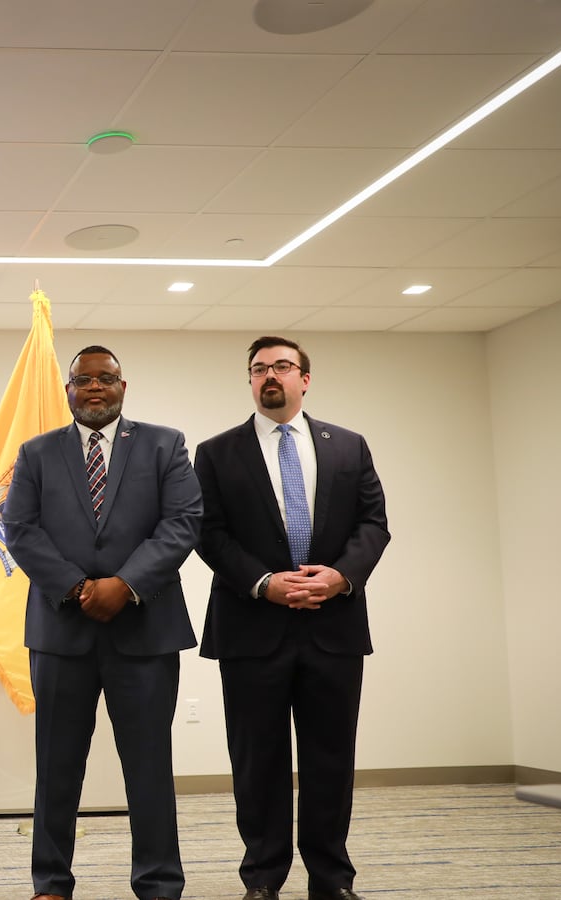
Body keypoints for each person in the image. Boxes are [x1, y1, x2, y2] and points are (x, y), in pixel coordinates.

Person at [194, 337, 390, 900]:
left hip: (334, 627)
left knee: (331, 758)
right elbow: (208, 534)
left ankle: (332, 880)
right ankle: (262, 880)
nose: (269, 376)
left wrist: (339, 577)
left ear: (306, 378)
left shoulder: (349, 447)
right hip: (251, 627)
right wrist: (264, 583)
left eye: (281, 366)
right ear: (250, 382)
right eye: (258, 369)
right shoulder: (217, 452)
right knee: (258, 762)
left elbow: (374, 525)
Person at [2, 345, 202, 900]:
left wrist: (124, 585)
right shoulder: (37, 453)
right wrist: (77, 587)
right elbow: (18, 528)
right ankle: (50, 883)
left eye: (106, 378)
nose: (94, 387)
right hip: (61, 632)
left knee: (149, 767)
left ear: (123, 386)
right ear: (68, 391)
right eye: (83, 380)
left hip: (145, 630)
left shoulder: (165, 445)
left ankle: (159, 882)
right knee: (56, 768)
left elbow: (182, 523)